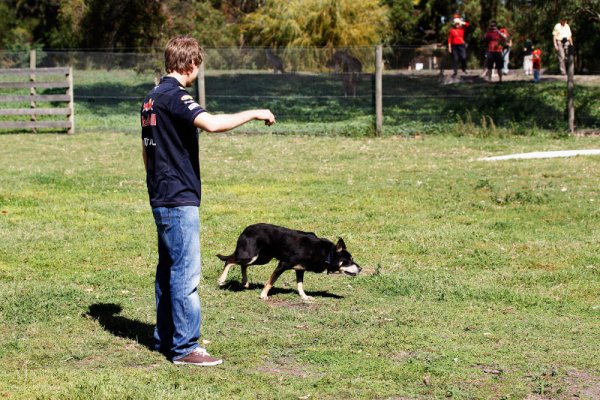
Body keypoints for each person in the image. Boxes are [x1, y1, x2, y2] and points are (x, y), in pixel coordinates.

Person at [140, 36, 275, 366]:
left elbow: (146, 150)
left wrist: (156, 184)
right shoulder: (174, 96)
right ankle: (186, 348)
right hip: (178, 196)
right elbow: (212, 124)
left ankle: (165, 338)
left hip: (160, 194)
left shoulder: (150, 99)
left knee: (168, 271)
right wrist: (256, 112)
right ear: (190, 65)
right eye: (198, 66)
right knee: (185, 274)